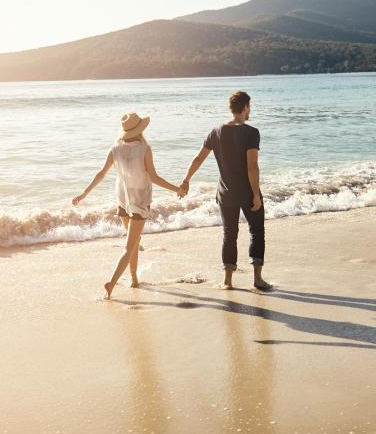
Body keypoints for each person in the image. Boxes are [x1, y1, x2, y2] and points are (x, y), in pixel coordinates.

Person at [72, 112, 182, 299]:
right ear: (140, 130)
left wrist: (84, 193)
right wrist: (176, 189)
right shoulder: (145, 148)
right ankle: (111, 283)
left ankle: (134, 279)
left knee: (134, 242)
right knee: (129, 247)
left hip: (123, 200)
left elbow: (101, 174)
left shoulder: (115, 148)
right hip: (139, 201)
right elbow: (154, 177)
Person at [180, 91, 273, 292]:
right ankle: (257, 280)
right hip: (247, 192)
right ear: (246, 107)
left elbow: (198, 159)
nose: (250, 111)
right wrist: (256, 194)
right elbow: (252, 167)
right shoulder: (251, 132)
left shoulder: (215, 131)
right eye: (250, 107)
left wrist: (186, 180)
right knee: (257, 232)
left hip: (225, 194)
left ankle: (227, 281)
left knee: (229, 234)